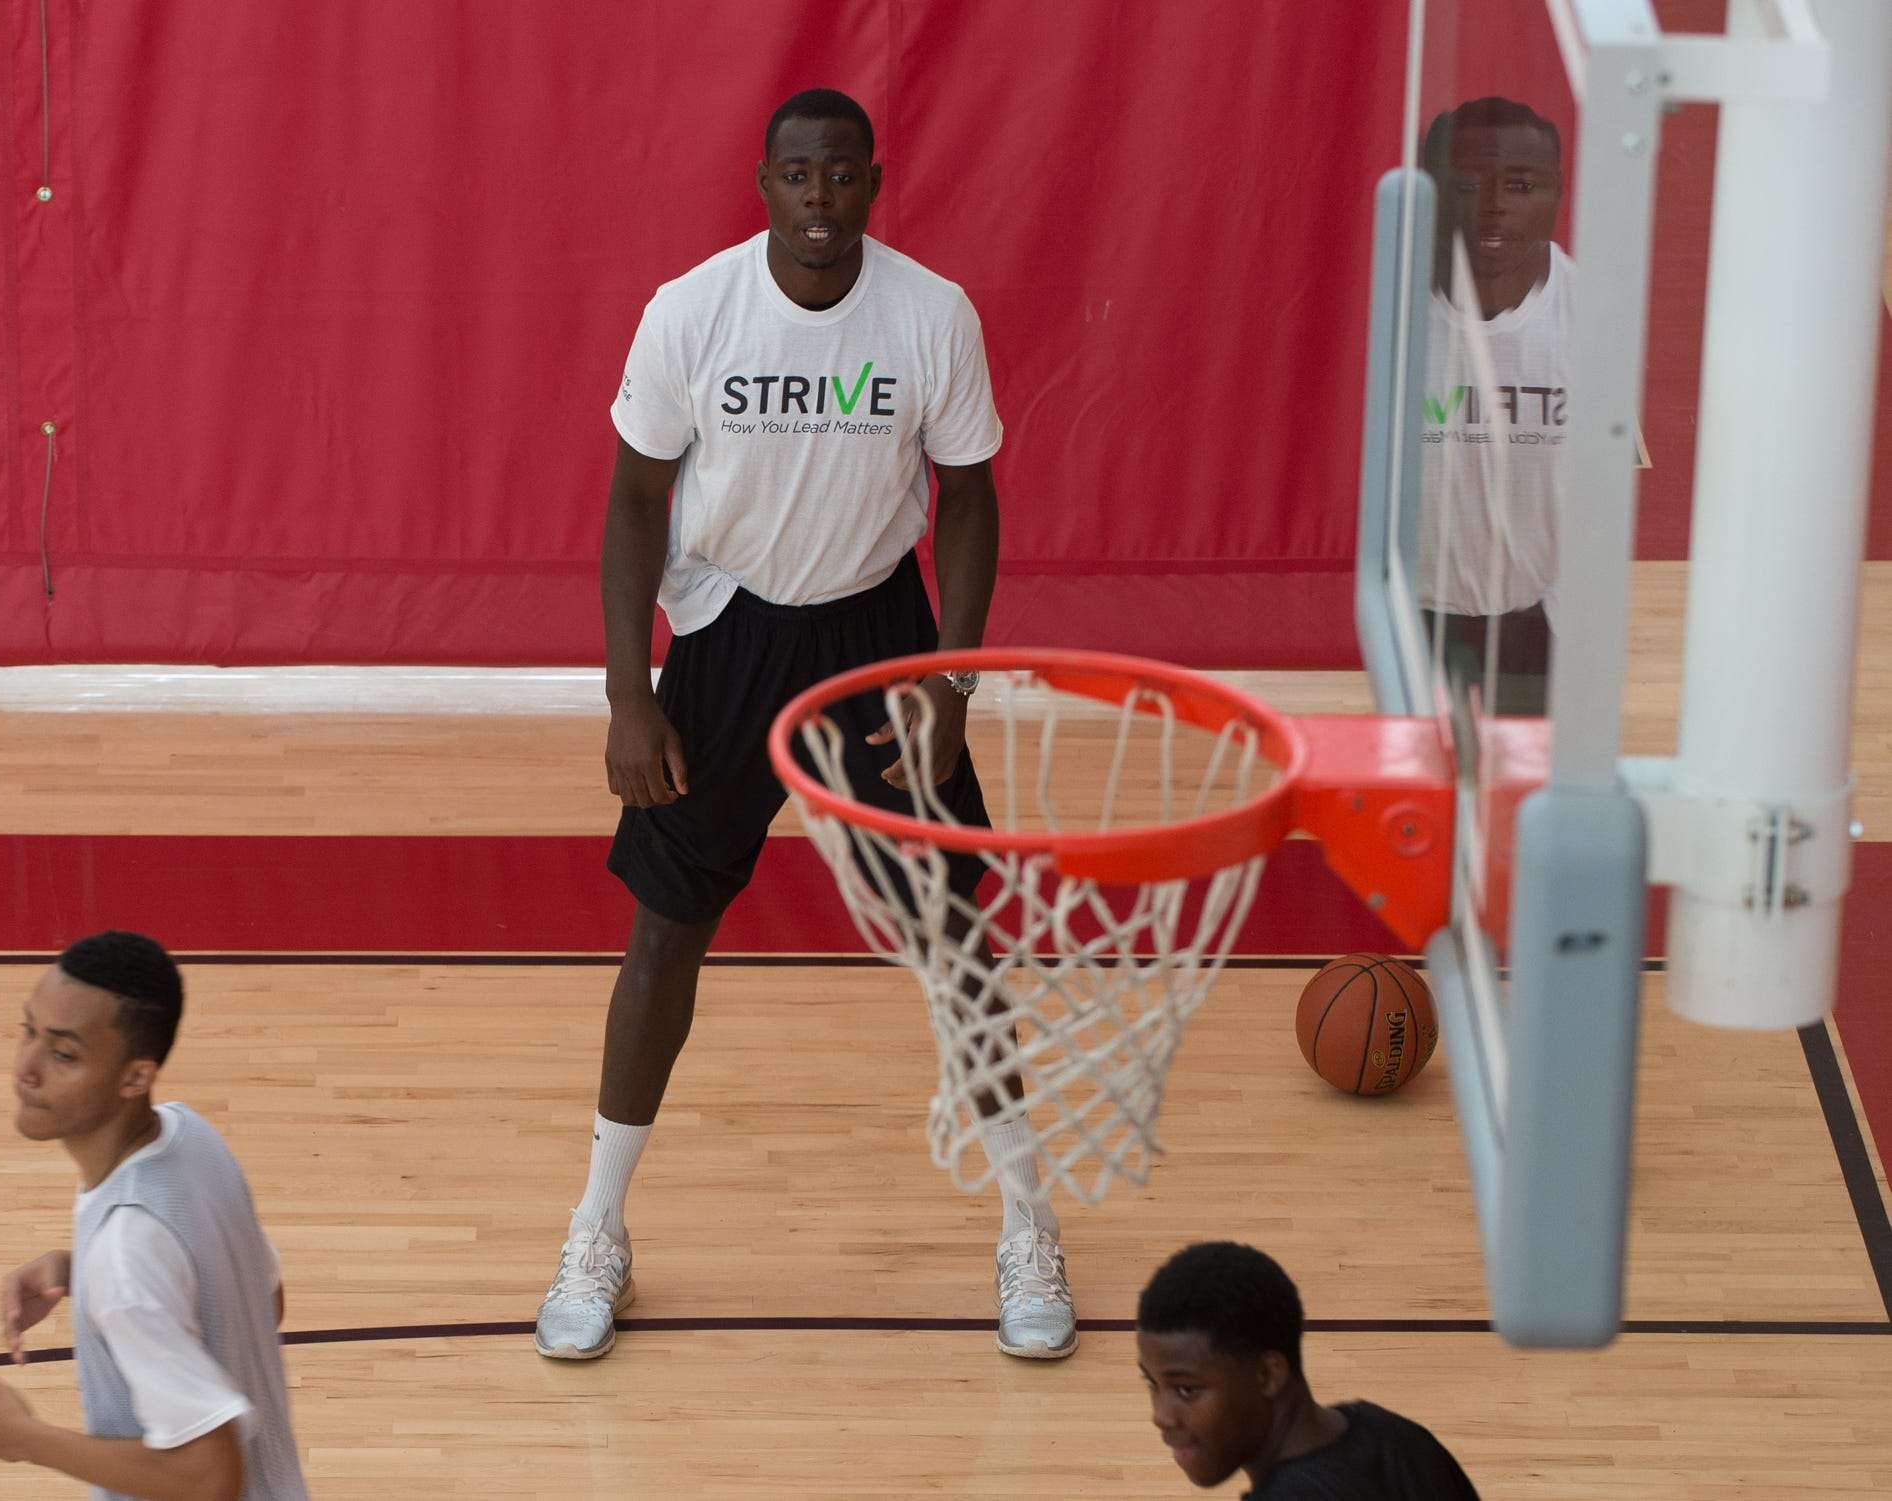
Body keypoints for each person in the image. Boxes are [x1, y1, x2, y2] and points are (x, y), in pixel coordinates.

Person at [535, 87, 1075, 1363]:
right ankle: (598, 1227)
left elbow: (969, 500)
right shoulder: (693, 311)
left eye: (841, 177)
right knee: (665, 934)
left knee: (956, 936)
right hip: (727, 636)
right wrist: (627, 691)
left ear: (873, 184)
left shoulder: (930, 313)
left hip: (876, 636)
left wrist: (951, 684)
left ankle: (1027, 1222)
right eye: (797, 177)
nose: (820, 200)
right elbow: (630, 503)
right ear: (764, 186)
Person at [0, 931, 307, 1501]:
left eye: (63, 1054)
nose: (27, 1068)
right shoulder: (192, 1137)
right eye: (29, 1031)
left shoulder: (126, 1252)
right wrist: (82, 1270)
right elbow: (262, 1301)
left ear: (135, 1077)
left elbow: (211, 1478)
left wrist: (22, 1437)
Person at [1416, 96, 1571, 718]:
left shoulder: (1592, 317)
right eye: (1468, 185)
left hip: (1538, 616)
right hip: (1414, 609)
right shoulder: (1385, 308)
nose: (1494, 205)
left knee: (1522, 791)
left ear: (1556, 194)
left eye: (1520, 184)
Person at [1138, 1242, 1479, 1496]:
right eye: (1151, 1383)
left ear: (1268, 1375)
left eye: (1187, 1390)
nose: (1161, 1416)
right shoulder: (1398, 1436)